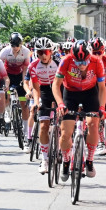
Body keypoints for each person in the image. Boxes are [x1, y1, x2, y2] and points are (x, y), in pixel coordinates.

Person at [52, 40, 106, 181]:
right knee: (65, 132)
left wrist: (101, 108)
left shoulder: (97, 62)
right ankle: (65, 160)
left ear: (89, 57)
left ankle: (89, 160)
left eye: (84, 62)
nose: (81, 65)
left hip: (90, 93)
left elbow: (102, 88)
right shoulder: (66, 61)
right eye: (77, 62)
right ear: (72, 57)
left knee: (93, 124)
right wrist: (60, 104)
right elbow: (56, 85)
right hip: (70, 93)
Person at [27, 38, 59, 174]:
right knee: (43, 125)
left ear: (51, 52)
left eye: (46, 52)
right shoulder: (33, 66)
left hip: (60, 89)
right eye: (40, 52)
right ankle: (45, 159)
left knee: (63, 125)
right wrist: (36, 102)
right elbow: (35, 87)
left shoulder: (59, 63)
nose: (43, 55)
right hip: (45, 91)